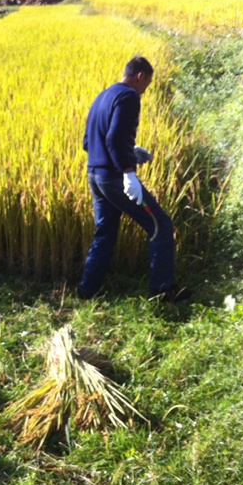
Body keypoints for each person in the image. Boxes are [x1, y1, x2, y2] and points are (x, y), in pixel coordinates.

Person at [79, 56, 190, 302]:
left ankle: (87, 290)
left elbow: (89, 143)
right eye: (147, 85)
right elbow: (114, 138)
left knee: (105, 232)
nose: (144, 91)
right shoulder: (129, 97)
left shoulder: (102, 96)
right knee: (160, 226)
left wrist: (131, 151)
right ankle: (163, 290)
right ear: (140, 76)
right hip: (115, 179)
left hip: (95, 177)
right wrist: (128, 172)